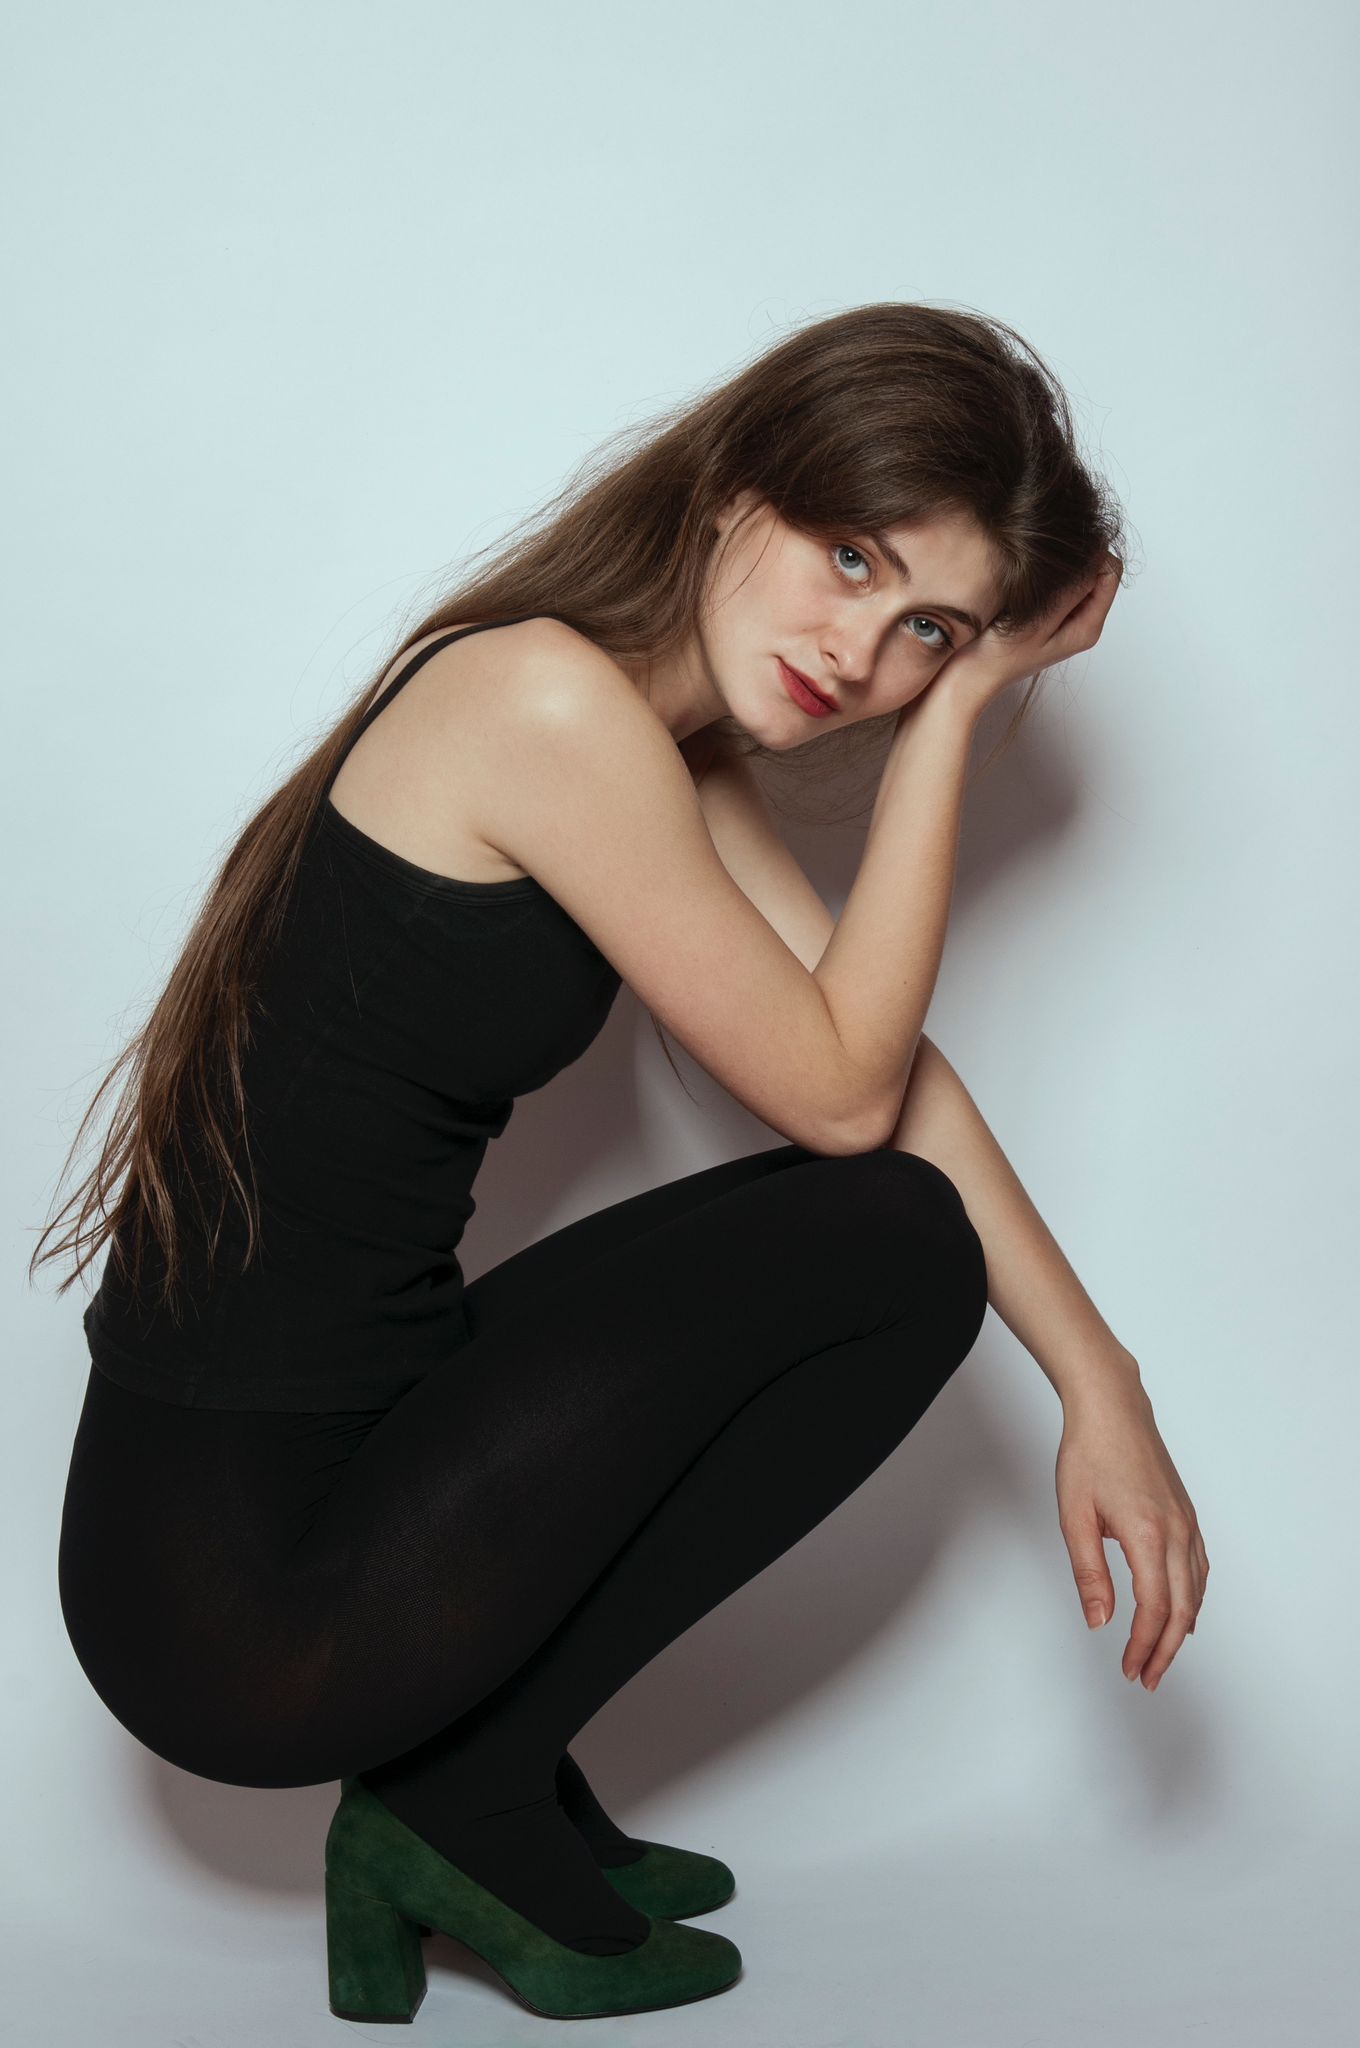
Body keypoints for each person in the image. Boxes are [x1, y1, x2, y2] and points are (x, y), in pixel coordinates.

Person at [35, 302, 1209, 2025]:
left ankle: (469, 1776)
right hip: (229, 1596)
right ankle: (458, 1797)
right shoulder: (542, 704)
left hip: (338, 1471)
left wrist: (1105, 1383)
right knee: (889, 1239)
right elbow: (841, 1099)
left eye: (928, 628)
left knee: (897, 1230)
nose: (861, 652)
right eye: (853, 557)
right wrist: (964, 709)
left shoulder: (644, 744)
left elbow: (890, 1085)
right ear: (737, 487)